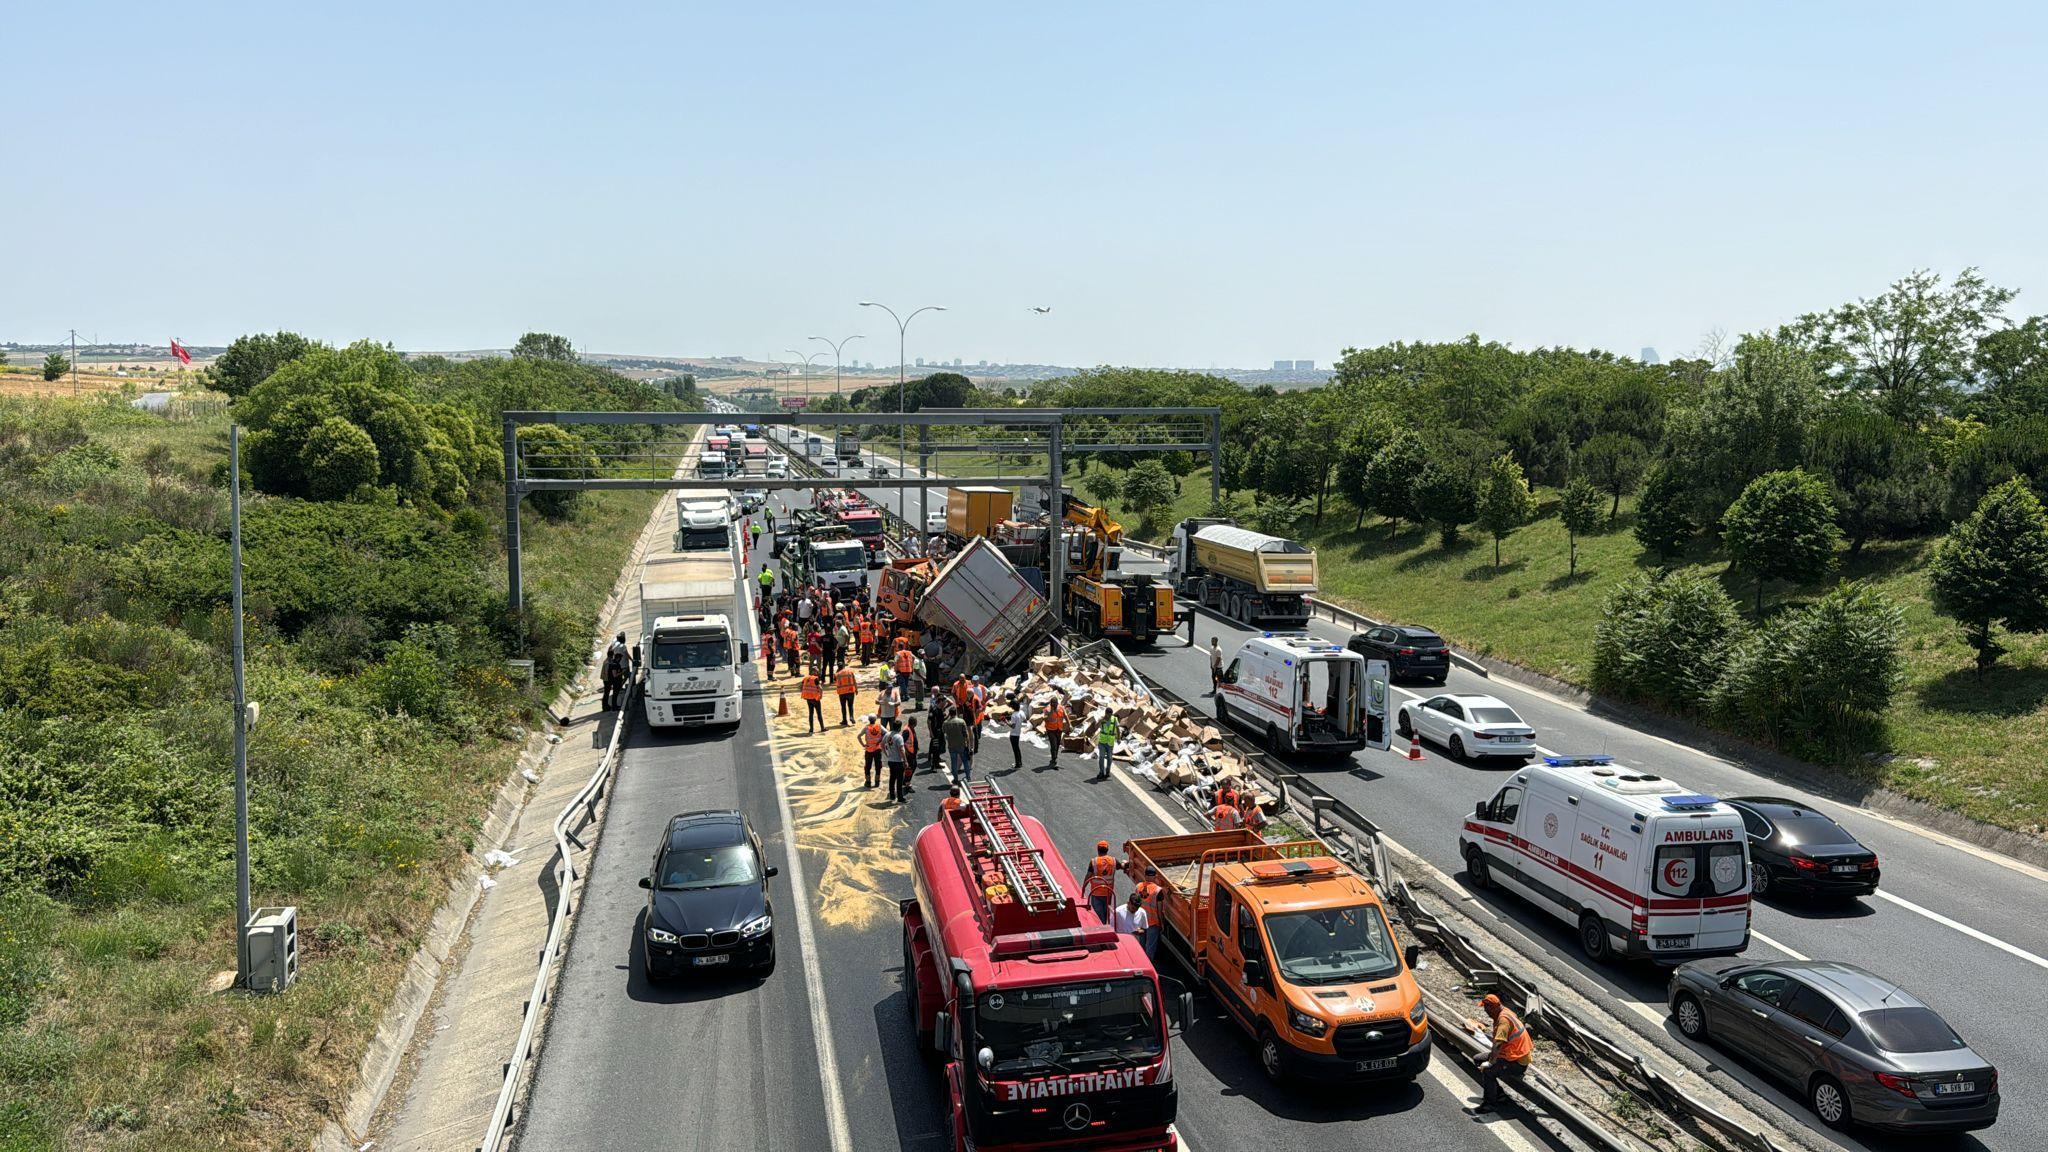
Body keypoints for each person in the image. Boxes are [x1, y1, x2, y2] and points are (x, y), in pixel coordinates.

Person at [1467, 994, 1534, 1113]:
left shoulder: (1503, 1022)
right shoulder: (1505, 1011)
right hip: (1509, 1055)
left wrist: (1491, 1062)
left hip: (1516, 1062)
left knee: (1488, 1072)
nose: (1485, 1011)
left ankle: (1490, 1104)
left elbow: (1498, 1044)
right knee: (1478, 1059)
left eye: (1486, 1008)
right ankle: (1498, 1094)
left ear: (1492, 1007)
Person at [1134, 866, 1164, 958]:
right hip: (1152, 923)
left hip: (1141, 921)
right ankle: (1149, 965)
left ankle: (1141, 962)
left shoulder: (1138, 887)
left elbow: (1135, 903)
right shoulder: (1158, 890)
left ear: (1145, 875)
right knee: (1150, 947)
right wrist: (1161, 923)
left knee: (1141, 944)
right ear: (1155, 876)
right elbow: (1159, 910)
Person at [1085, 841, 1118, 923]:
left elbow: (1088, 876)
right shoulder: (1113, 861)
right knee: (1106, 914)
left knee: (1098, 916)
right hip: (1108, 893)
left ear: (1098, 850)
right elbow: (1122, 866)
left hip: (1096, 893)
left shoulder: (1094, 861)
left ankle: (1101, 930)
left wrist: (1083, 888)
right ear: (1107, 850)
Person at [943, 707, 972, 782]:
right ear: (956, 712)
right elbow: (966, 735)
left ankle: (955, 778)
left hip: (951, 745)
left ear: (950, 713)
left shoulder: (946, 723)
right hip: (961, 745)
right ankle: (968, 777)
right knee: (965, 761)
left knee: (953, 762)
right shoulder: (961, 721)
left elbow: (944, 732)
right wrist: (968, 746)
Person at [883, 719, 909, 803]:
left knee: (892, 778)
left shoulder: (887, 735)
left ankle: (892, 795)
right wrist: (905, 761)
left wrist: (886, 753)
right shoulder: (899, 737)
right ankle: (900, 797)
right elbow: (901, 750)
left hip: (891, 760)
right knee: (900, 780)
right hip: (898, 761)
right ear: (899, 728)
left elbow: (882, 744)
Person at [1042, 696, 1067, 769]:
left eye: (1055, 703)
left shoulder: (1061, 708)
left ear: (1057, 703)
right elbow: (1045, 718)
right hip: (1050, 729)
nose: (1054, 705)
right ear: (1051, 703)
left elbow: (1065, 716)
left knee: (1058, 743)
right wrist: (1051, 712)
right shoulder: (1047, 709)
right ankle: (1054, 759)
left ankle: (1055, 756)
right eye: (1052, 703)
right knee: (1053, 744)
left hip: (1059, 729)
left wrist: (1070, 724)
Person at [860, 717, 885, 789]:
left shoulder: (866, 728)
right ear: (875, 719)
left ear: (869, 720)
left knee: (867, 766)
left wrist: (863, 745)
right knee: (878, 765)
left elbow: (858, 736)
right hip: (877, 749)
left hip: (869, 749)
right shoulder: (879, 726)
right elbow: (886, 733)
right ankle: (877, 782)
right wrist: (880, 740)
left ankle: (868, 782)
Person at [927, 697, 949, 774]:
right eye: (944, 702)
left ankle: (937, 763)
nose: (945, 704)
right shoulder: (934, 709)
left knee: (939, 748)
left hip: (940, 732)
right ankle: (933, 766)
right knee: (935, 749)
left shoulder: (940, 710)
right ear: (940, 701)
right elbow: (929, 721)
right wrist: (931, 732)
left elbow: (942, 720)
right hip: (935, 732)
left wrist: (948, 715)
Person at [1095, 712, 1119, 780]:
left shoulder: (1114, 719)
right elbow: (1096, 727)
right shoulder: (1102, 719)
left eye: (1110, 715)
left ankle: (1107, 771)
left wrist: (1119, 738)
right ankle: (1101, 772)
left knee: (1109, 758)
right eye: (1107, 714)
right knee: (1101, 757)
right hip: (1102, 742)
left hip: (1110, 743)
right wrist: (1100, 721)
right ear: (1105, 713)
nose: (1108, 716)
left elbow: (1117, 729)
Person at [1008, 694, 1029, 770]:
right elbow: (1025, 720)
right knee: (1017, 748)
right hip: (1018, 733)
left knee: (1015, 749)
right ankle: (1019, 762)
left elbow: (1012, 726)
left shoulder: (1014, 715)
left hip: (1013, 734)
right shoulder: (1021, 713)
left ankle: (1017, 764)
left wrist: (1006, 721)